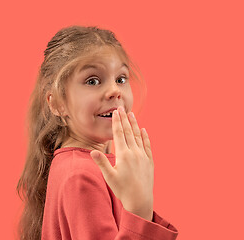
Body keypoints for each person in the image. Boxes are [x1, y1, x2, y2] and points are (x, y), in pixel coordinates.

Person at [16, 25, 179, 240]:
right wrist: (140, 210)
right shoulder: (81, 175)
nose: (114, 91)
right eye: (92, 81)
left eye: (121, 79)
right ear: (56, 103)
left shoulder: (76, 166)